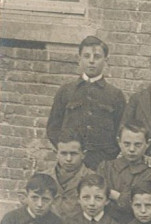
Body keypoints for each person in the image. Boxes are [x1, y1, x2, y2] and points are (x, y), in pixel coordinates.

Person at [46, 36, 126, 170]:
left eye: (97, 56)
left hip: (101, 163)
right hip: (70, 162)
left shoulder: (115, 95)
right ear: (79, 59)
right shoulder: (66, 91)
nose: (91, 61)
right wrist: (66, 152)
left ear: (105, 60)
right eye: (87, 56)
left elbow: (121, 132)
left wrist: (108, 157)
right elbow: (53, 128)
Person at [97, 122, 151, 224]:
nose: (131, 149)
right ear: (119, 142)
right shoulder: (105, 167)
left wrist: (114, 195)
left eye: (137, 144)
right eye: (126, 144)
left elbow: (143, 202)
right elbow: (98, 197)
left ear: (147, 143)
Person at [37, 131, 94, 220]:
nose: (68, 159)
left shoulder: (93, 179)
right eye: (63, 153)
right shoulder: (42, 178)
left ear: (83, 154)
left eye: (73, 153)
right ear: (56, 153)